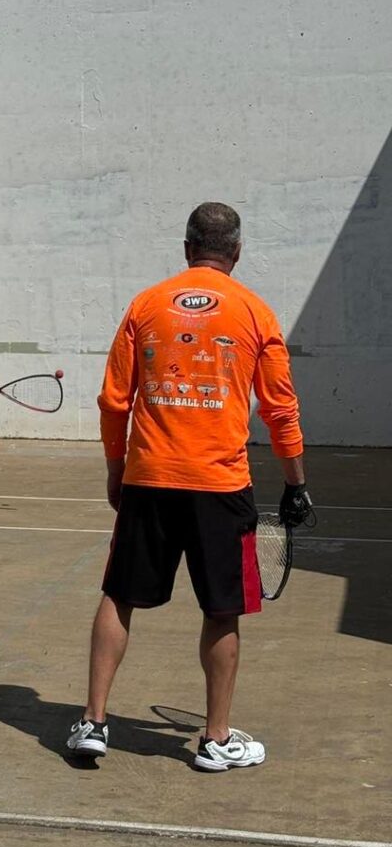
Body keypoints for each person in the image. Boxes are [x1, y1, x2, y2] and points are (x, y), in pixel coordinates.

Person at [67, 202, 313, 771]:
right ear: (237, 252)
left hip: (149, 479)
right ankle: (215, 740)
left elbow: (113, 402)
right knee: (223, 612)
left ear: (186, 249)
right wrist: (295, 483)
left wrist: (116, 470)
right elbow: (280, 408)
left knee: (119, 596)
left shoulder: (145, 305)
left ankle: (93, 723)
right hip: (220, 487)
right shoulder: (255, 312)